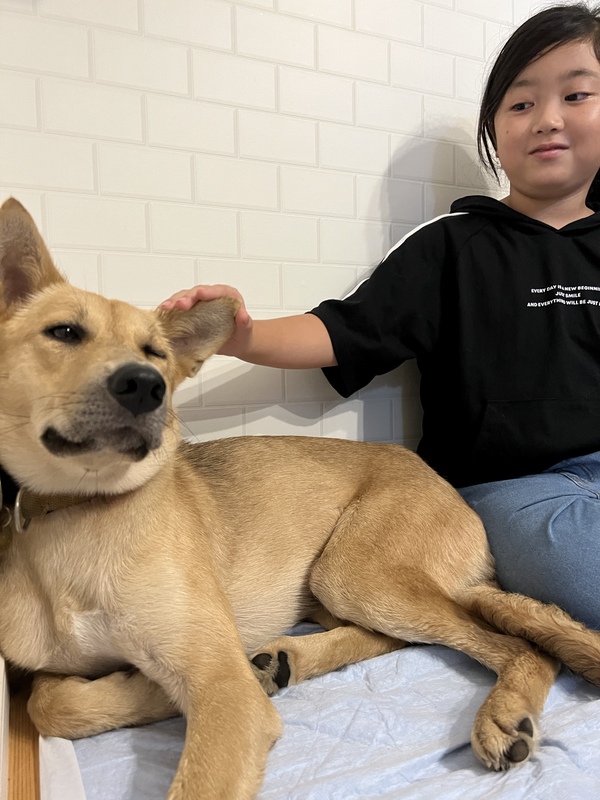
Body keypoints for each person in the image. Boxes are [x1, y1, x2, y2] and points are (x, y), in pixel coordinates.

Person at [160, 4, 600, 629]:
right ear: (494, 128)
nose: (547, 119)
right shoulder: (451, 244)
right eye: (521, 103)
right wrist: (244, 336)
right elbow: (344, 330)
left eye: (576, 95)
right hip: (509, 490)